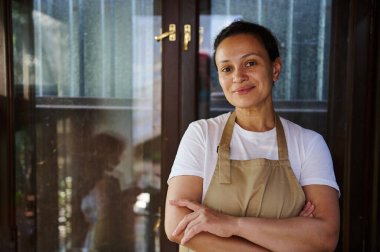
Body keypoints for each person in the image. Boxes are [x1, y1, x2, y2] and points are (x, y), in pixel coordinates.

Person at [165, 20, 340, 252]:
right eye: (227, 68)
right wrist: (285, 237)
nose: (238, 76)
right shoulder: (202, 135)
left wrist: (231, 224)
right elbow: (177, 226)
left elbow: (325, 237)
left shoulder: (309, 144)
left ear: (275, 69)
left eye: (250, 63)